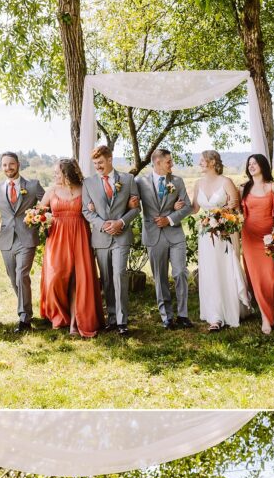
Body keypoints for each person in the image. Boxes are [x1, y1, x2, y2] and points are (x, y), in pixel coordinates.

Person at [39, 157, 104, 338]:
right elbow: (39, 211)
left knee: (78, 280)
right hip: (57, 239)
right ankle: (60, 315)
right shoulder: (52, 191)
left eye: (57, 173)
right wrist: (38, 218)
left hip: (80, 236)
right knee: (55, 278)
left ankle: (75, 323)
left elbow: (96, 209)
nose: (54, 176)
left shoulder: (85, 189)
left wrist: (93, 208)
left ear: (67, 174)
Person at [82, 145, 141, 337]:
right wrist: (103, 224)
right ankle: (112, 318)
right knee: (106, 278)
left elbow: (136, 208)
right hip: (101, 237)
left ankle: (123, 321)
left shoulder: (128, 179)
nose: (98, 166)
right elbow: (86, 210)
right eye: (95, 164)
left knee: (119, 274)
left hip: (121, 235)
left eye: (100, 162)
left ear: (110, 159)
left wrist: (121, 222)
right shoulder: (88, 183)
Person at [190, 150, 252, 330]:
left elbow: (236, 208)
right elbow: (194, 209)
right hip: (206, 232)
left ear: (212, 162)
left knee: (225, 267)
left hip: (225, 231)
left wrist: (229, 209)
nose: (200, 163)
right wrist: (176, 205)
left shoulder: (226, 182)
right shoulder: (198, 183)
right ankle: (214, 315)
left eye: (202, 160)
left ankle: (231, 308)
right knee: (210, 269)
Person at [0, 152, 45, 333]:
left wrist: (39, 217)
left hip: (27, 237)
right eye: (4, 165)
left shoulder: (33, 185)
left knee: (21, 275)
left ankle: (24, 319)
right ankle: (26, 310)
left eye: (11, 164)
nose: (8, 168)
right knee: (13, 278)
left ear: (18, 164)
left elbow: (48, 205)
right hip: (6, 239)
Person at [136, 148, 194, 329]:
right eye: (169, 162)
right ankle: (166, 317)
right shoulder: (140, 182)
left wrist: (169, 218)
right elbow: (131, 204)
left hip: (175, 234)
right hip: (153, 235)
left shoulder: (177, 181)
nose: (172, 164)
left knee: (180, 272)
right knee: (160, 278)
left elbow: (188, 206)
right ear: (157, 162)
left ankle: (183, 315)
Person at [241, 153, 274, 334]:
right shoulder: (244, 188)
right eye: (249, 164)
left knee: (271, 278)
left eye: (255, 163)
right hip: (249, 238)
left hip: (269, 237)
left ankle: (269, 310)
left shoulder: (273, 187)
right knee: (256, 278)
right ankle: (265, 318)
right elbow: (237, 211)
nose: (251, 166)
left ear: (263, 166)